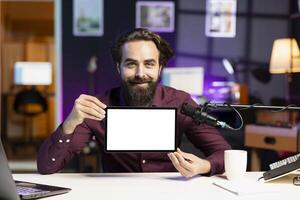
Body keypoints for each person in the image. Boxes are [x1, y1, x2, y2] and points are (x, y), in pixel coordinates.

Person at [37, 28, 231, 177]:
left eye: (149, 64)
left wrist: (203, 166)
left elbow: (224, 153)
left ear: (160, 68)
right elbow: (47, 166)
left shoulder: (180, 102)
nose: (140, 74)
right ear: (118, 67)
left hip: (170, 191)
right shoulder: (97, 106)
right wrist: (70, 123)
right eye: (131, 64)